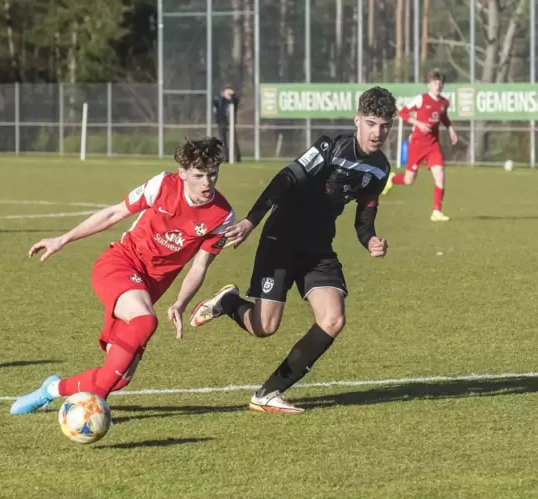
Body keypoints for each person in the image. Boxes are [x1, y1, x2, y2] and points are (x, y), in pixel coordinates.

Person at [187, 86, 394, 414]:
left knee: (333, 318)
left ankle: (268, 393)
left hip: (318, 247)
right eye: (371, 123)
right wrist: (252, 222)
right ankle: (229, 302)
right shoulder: (330, 146)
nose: (377, 132)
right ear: (357, 120)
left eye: (384, 125)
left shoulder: (380, 170)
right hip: (281, 238)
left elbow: (365, 217)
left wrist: (370, 240)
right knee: (264, 327)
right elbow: (285, 178)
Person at [9, 137, 235, 414]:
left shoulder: (223, 216)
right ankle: (94, 407)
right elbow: (115, 213)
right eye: (199, 175)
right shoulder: (162, 185)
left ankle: (51, 389)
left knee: (118, 378)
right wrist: (64, 238)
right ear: (183, 172)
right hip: (120, 264)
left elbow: (199, 266)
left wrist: (180, 303)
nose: (207, 183)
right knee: (144, 320)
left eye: (212, 174)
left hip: (148, 288)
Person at [381, 68, 458, 222]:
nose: (438, 85)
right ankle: (392, 179)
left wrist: (450, 129)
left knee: (440, 175)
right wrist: (418, 123)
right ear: (429, 84)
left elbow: (444, 117)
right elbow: (403, 113)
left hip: (433, 145)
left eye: (440, 83)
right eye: (435, 82)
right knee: (409, 180)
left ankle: (436, 211)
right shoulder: (421, 99)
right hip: (417, 144)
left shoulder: (444, 102)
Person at [213, 86, 241, 163]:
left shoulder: (233, 101)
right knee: (223, 141)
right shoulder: (220, 100)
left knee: (234, 140)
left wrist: (232, 95)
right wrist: (222, 95)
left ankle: (237, 158)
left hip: (231, 122)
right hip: (222, 122)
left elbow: (236, 99)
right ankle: (226, 158)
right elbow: (215, 102)